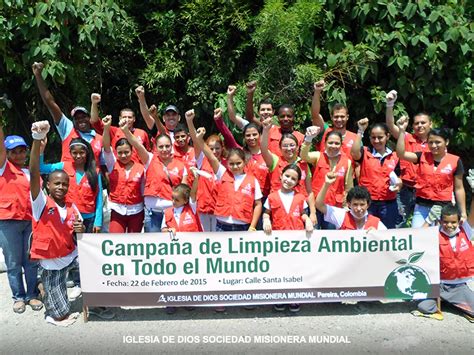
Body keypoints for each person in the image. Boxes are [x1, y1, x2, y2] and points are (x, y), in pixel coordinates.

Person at [28, 120, 84, 326]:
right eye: (57, 183)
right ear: (48, 185)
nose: (61, 187)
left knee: (94, 263)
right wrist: (36, 140)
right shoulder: (40, 202)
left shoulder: (71, 205)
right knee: (59, 313)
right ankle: (47, 294)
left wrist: (81, 228)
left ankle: (51, 289)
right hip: (51, 259)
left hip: (69, 255)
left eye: (65, 184)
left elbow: (80, 229)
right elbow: (34, 172)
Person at [186, 109, 262, 232]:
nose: (235, 166)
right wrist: (199, 139)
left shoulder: (252, 181)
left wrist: (253, 226)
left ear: (244, 163)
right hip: (222, 225)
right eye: (231, 164)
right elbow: (210, 155)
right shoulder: (223, 173)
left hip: (243, 226)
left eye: (238, 163)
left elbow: (258, 204)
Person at [413, 171, 474, 322]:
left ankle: (454, 301)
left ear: (459, 221)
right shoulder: (434, 233)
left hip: (458, 286)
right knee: (424, 307)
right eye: (445, 222)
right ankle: (446, 301)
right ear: (440, 222)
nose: (449, 225)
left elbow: (473, 214)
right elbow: (417, 239)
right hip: (438, 285)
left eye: (453, 222)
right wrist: (428, 220)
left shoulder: (465, 231)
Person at [0, 121, 42, 314]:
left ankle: (32, 295)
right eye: (13, 151)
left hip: (30, 221)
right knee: (13, 262)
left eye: (21, 150)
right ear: (6, 154)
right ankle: (18, 296)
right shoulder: (3, 169)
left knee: (31, 260)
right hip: (8, 222)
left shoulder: (30, 171)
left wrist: (38, 139)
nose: (19, 155)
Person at [395, 117, 466, 228]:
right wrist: (401, 131)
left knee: (440, 240)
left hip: (443, 208)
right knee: (419, 238)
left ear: (446, 142)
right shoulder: (421, 156)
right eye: (431, 142)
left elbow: (459, 188)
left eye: (438, 142)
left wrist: (463, 212)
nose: (433, 146)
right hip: (421, 206)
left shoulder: (455, 161)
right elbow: (401, 154)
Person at [120, 118, 188, 232]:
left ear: (172, 146)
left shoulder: (181, 165)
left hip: (172, 213)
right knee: (152, 247)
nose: (164, 149)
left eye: (167, 146)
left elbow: (184, 190)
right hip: (152, 213)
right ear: (156, 147)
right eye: (161, 147)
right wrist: (126, 131)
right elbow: (137, 145)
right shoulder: (149, 159)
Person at [262, 163, 314, 314]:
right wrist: (266, 220)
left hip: (296, 240)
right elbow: (267, 212)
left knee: (295, 269)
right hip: (278, 240)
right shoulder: (271, 197)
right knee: (279, 270)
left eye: (293, 179)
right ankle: (280, 297)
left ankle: (294, 297)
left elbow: (303, 213)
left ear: (298, 182)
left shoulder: (300, 197)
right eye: (287, 176)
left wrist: (308, 220)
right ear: (281, 175)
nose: (289, 180)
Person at [32, 62, 103, 166]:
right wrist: (38, 75)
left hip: (90, 181)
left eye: (83, 117)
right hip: (67, 180)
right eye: (77, 118)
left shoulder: (99, 138)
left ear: (89, 118)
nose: (81, 120)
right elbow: (50, 103)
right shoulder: (68, 129)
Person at [385, 90, 432, 226]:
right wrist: (390, 104)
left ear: (431, 124)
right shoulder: (406, 137)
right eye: (416, 123)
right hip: (405, 189)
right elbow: (390, 125)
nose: (420, 126)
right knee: (398, 224)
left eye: (423, 123)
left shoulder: (436, 143)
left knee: (426, 228)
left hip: (426, 191)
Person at [39, 138, 103, 233]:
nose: (78, 156)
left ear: (87, 153)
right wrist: (41, 150)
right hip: (69, 216)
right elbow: (41, 168)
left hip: (89, 219)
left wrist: (98, 222)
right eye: (74, 153)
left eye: (81, 153)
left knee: (86, 247)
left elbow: (99, 198)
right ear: (70, 153)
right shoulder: (64, 166)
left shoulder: (95, 172)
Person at [351, 118, 402, 228]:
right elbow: (354, 153)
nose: (377, 140)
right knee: (365, 233)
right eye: (373, 137)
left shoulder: (395, 156)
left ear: (387, 136)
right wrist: (360, 131)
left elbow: (399, 178)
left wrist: (398, 184)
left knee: (388, 235)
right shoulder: (365, 152)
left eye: (380, 137)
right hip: (368, 203)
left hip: (388, 203)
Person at [301, 126, 353, 229]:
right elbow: (304, 155)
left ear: (341, 145)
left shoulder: (347, 162)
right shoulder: (318, 156)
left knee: (331, 239)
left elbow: (349, 187)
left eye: (337, 143)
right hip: (315, 206)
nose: (333, 146)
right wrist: (308, 138)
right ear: (325, 143)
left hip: (333, 207)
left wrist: (347, 206)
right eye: (330, 143)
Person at [185, 109, 227, 231]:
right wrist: (190, 121)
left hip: (219, 209)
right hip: (203, 207)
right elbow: (196, 139)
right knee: (203, 239)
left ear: (222, 148)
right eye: (211, 149)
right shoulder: (202, 160)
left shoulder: (226, 165)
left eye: (217, 148)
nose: (214, 152)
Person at [102, 115, 145, 233]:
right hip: (117, 210)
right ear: (116, 153)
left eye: (126, 152)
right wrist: (106, 128)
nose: (123, 155)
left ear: (132, 151)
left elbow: (143, 190)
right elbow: (106, 148)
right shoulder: (112, 165)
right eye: (120, 153)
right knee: (116, 242)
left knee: (134, 244)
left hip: (136, 210)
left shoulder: (141, 168)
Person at [316, 170, 387, 230]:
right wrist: (326, 184)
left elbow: (389, 241)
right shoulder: (342, 216)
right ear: (349, 204)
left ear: (368, 205)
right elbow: (319, 205)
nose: (359, 208)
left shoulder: (376, 223)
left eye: (362, 205)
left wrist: (378, 235)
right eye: (355, 204)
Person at [90, 93, 150, 163]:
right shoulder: (114, 131)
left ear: (134, 119)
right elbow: (95, 122)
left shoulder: (142, 133)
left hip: (138, 170)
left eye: (129, 117)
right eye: (124, 117)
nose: (127, 119)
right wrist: (94, 103)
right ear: (119, 118)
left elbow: (148, 153)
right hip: (119, 170)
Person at [311, 80, 357, 157]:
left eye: (342, 116)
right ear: (331, 117)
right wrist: (317, 92)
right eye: (336, 117)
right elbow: (315, 115)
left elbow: (358, 162)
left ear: (347, 117)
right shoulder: (325, 131)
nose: (339, 119)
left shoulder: (355, 138)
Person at [162, 169, 202, 234]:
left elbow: (193, 193)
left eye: (177, 200)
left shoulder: (191, 208)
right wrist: (169, 230)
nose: (173, 201)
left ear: (185, 201)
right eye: (172, 198)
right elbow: (163, 229)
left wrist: (196, 178)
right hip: (175, 242)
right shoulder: (167, 212)